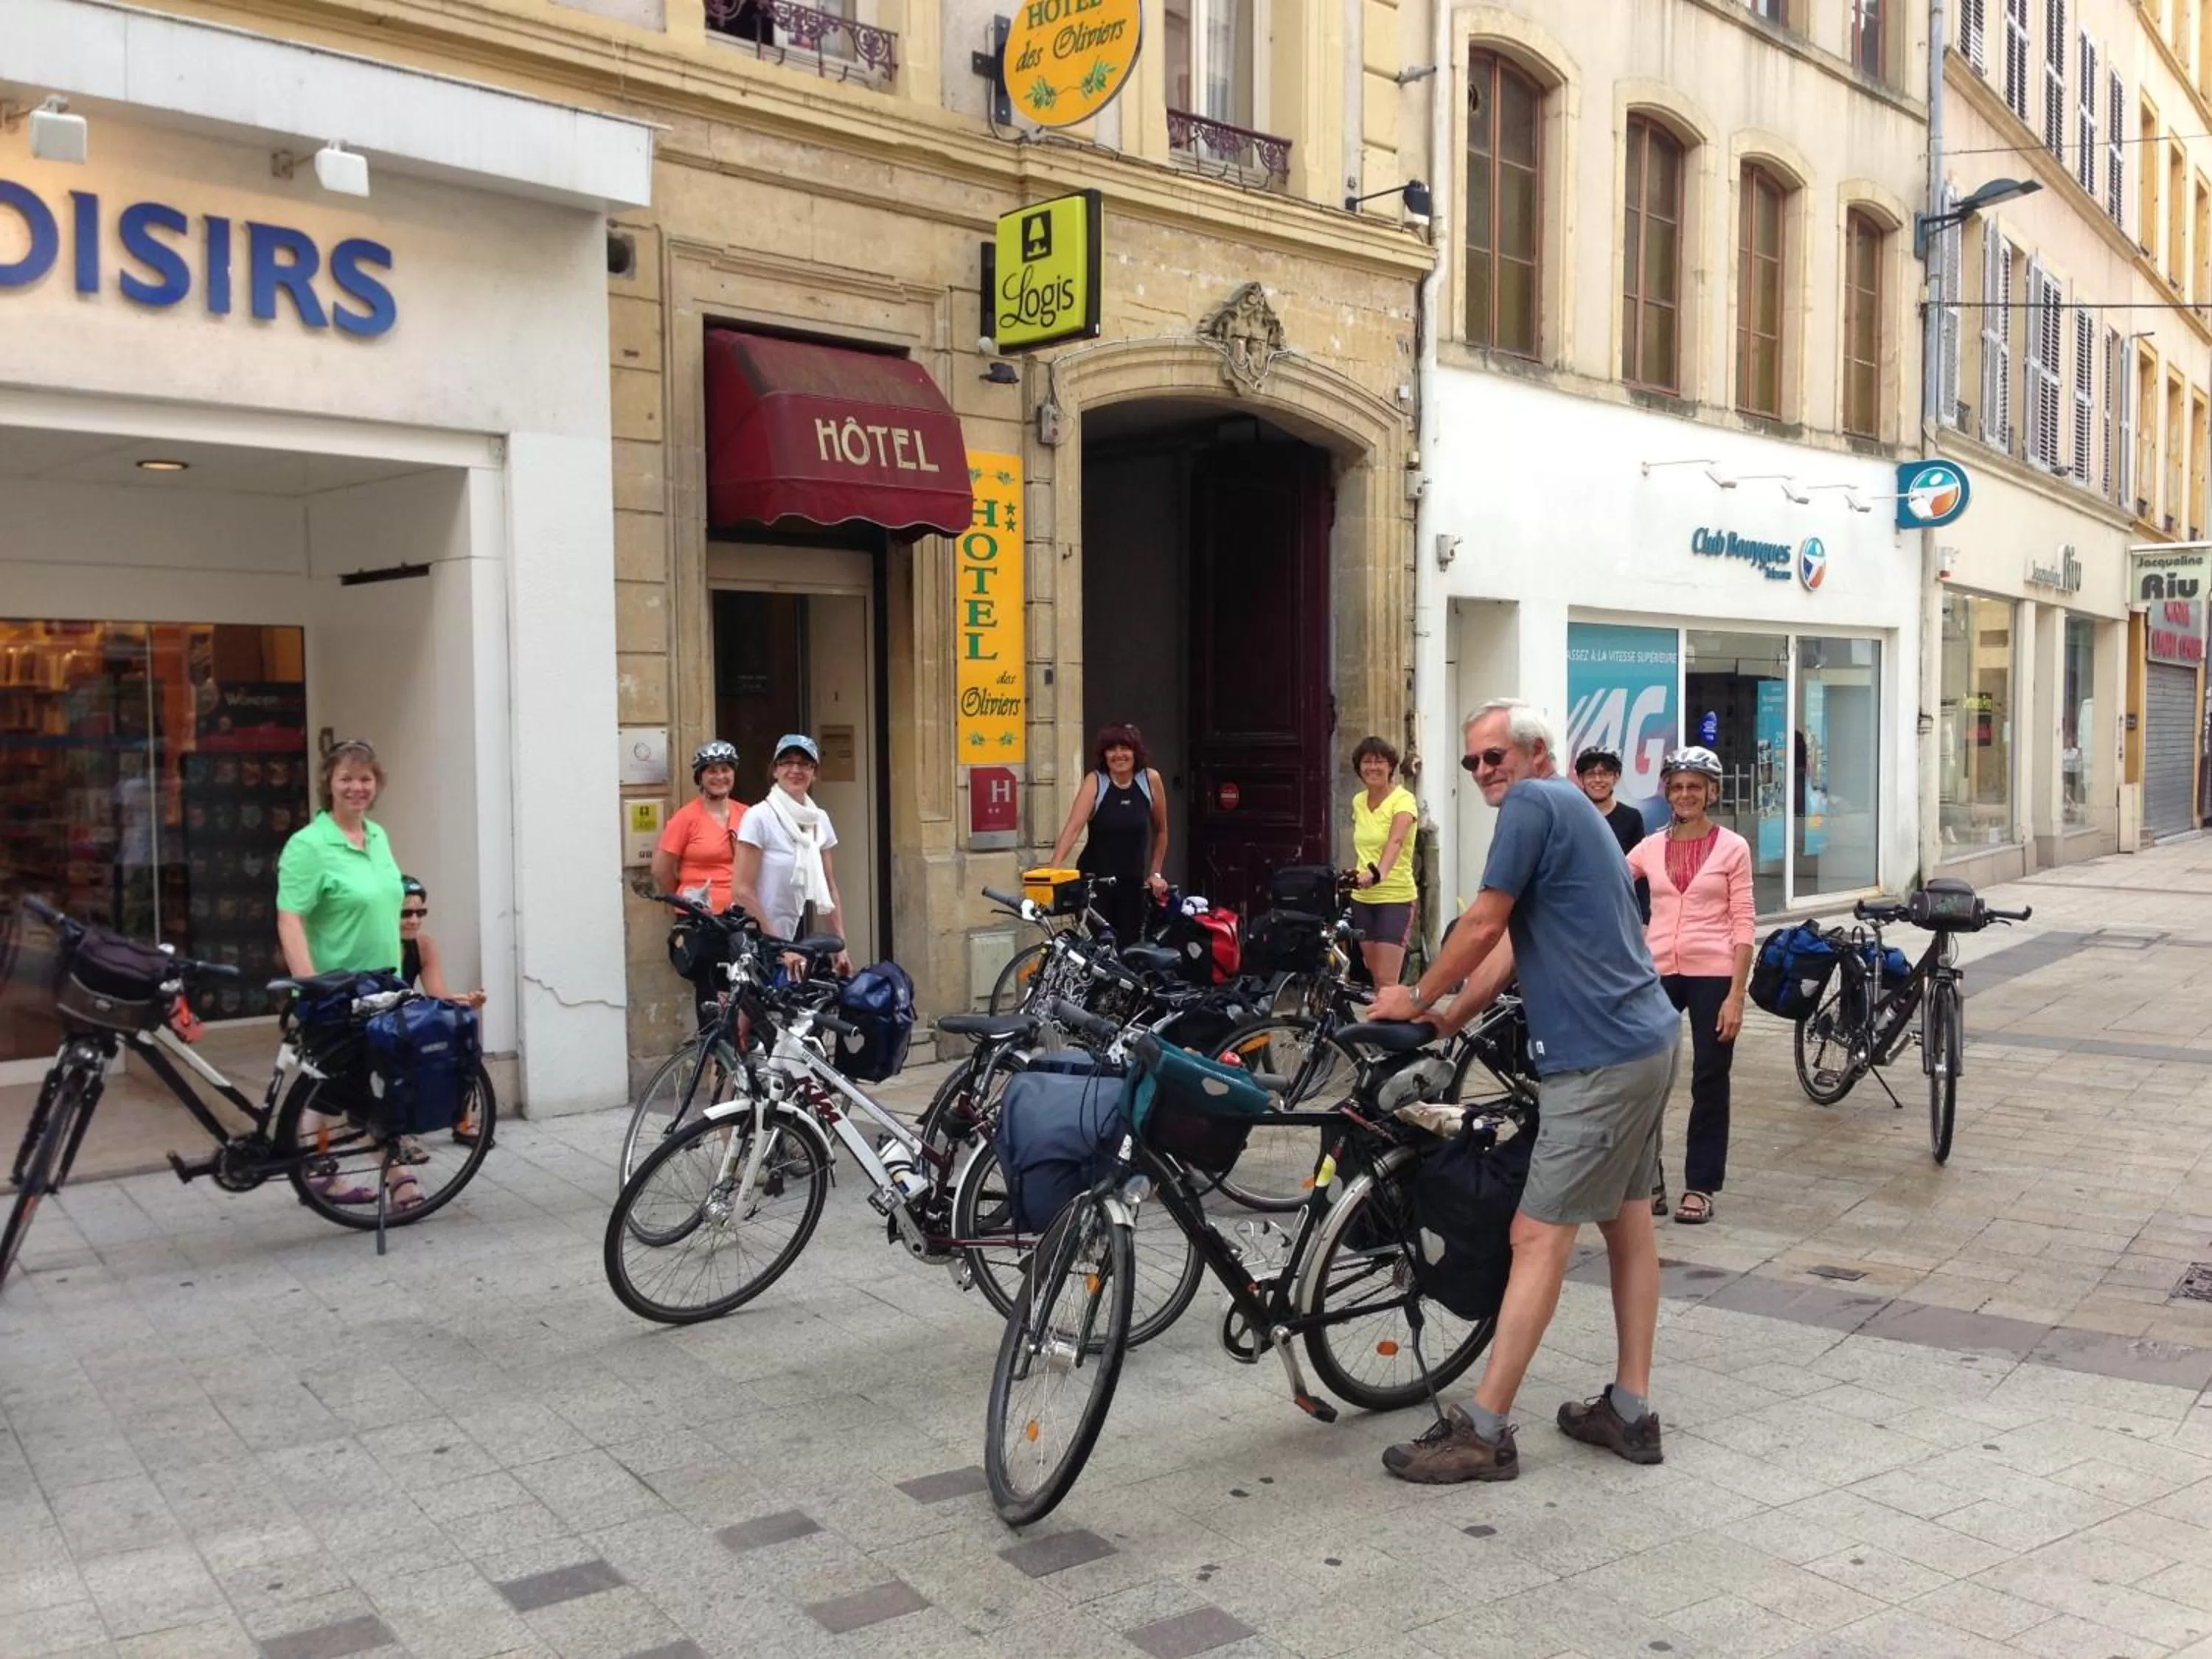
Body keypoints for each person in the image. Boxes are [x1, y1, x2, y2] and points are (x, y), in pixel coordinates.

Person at [1368, 698, 1679, 1483]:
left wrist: (1412, 996)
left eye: (1495, 756)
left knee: (1537, 1236)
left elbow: (1479, 924)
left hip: (1599, 1061)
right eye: (1472, 761)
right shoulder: (1570, 808)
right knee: (1629, 1222)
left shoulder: (1536, 802)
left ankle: (1485, 1429)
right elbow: (1508, 946)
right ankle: (1631, 1412)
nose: (1482, 771)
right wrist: (1446, 1021)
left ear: (1540, 755)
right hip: (1643, 1040)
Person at [275, 738, 411, 1206]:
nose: (357, 787)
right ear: (328, 785)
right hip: (337, 989)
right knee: (349, 1086)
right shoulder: (309, 846)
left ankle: (313, 1169)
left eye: (366, 778)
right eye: (346, 779)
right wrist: (310, 985)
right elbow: (289, 916)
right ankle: (396, 1178)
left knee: (346, 1085)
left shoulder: (378, 837)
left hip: (381, 986)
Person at [1624, 748, 1753, 1227]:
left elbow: (1744, 921)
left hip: (1715, 972)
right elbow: (1612, 882)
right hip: (1658, 970)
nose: (1684, 795)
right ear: (1666, 792)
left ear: (1712, 792)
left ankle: (1700, 1184)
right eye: (1676, 786)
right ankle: (1648, 1181)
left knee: (1710, 1078)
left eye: (1695, 786)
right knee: (1644, 1077)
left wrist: (1737, 994)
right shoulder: (1650, 847)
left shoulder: (1732, 848)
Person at [731, 734, 853, 973]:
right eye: (787, 762)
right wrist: (780, 946)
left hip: (791, 934)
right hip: (755, 936)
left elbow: (829, 888)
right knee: (749, 1010)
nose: (795, 770)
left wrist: (841, 947)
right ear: (775, 770)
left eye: (804, 764)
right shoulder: (759, 817)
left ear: (814, 773)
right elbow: (741, 891)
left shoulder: (819, 820)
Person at [1046, 723, 1169, 947]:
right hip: (1096, 884)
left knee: (1129, 951)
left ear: (1136, 752)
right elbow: (1074, 827)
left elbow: (1161, 831)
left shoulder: (1150, 781)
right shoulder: (1096, 781)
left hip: (1132, 883)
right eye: (1112, 749)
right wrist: (1053, 868)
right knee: (1097, 953)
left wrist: (1156, 874)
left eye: (1125, 748)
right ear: (1104, 754)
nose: (1119, 755)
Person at [398, 875, 487, 1148]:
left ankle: (462, 1119)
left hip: (407, 1012)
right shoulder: (375, 942)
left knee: (459, 1033)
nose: (414, 920)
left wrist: (466, 1000)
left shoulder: (424, 946)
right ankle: (399, 1132)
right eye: (406, 913)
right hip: (380, 1016)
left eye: (420, 912)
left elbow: (437, 994)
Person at [1348, 736, 1418, 991]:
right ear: (1359, 768)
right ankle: (1381, 1030)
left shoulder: (1403, 800)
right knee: (1376, 980)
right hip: (1363, 899)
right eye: (1367, 762)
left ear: (1391, 767)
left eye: (1380, 762)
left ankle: (1397, 1028)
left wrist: (1378, 874)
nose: (1373, 768)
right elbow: (1364, 846)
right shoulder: (1358, 801)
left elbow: (1396, 841)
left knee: (1388, 982)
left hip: (1394, 897)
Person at [652, 740, 746, 911]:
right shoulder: (686, 817)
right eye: (712, 771)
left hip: (740, 913)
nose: (720, 777)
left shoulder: (748, 814)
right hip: (699, 914)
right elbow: (660, 869)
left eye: (725, 770)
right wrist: (681, 901)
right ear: (700, 777)